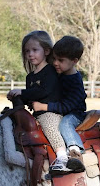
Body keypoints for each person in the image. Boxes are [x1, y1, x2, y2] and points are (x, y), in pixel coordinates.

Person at [7, 30, 70, 174]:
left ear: (46, 51)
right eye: (27, 51)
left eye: (35, 50)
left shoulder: (51, 71)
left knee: (49, 126)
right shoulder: (30, 77)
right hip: (37, 114)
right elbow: (31, 97)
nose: (30, 54)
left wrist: (22, 92)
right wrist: (18, 98)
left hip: (51, 112)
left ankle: (62, 156)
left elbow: (43, 92)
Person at [32, 35, 87, 173]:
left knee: (65, 124)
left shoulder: (74, 81)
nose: (55, 63)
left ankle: (75, 153)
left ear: (74, 61)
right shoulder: (60, 73)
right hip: (62, 111)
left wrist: (44, 107)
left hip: (75, 113)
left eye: (60, 60)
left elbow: (66, 106)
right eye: (54, 59)